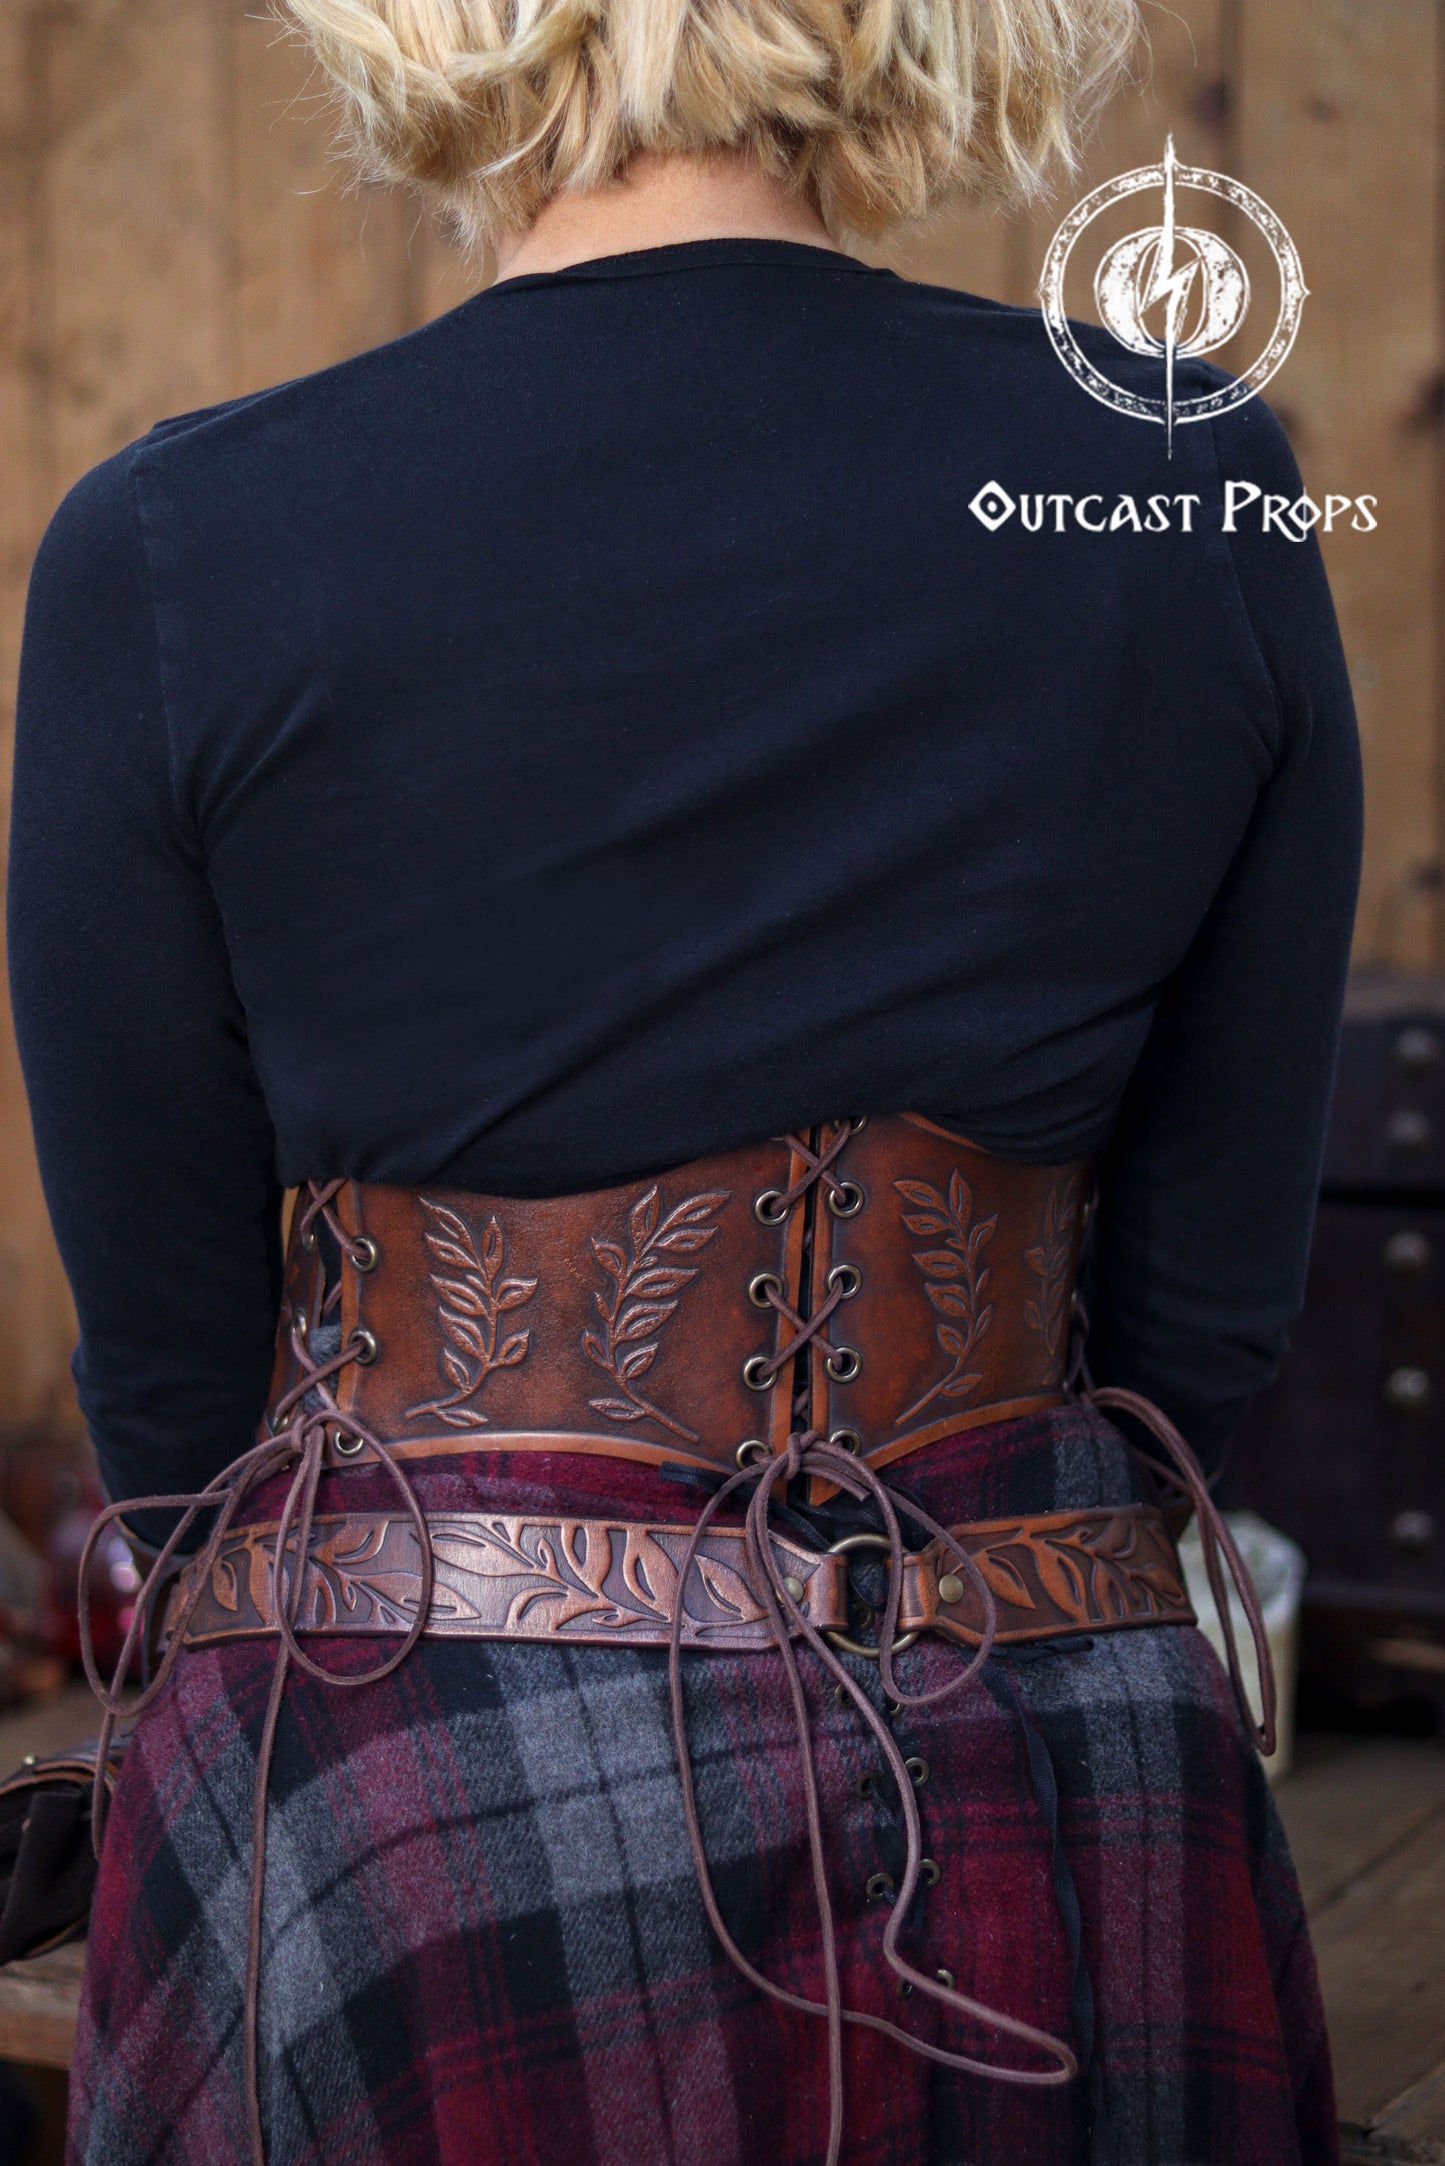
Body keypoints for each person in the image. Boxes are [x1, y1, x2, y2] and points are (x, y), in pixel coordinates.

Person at [7, 1, 1362, 2161]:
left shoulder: (176, 548)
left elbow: (174, 1394)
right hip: (1044, 1737)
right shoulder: (1188, 474)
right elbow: (1204, 1317)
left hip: (400, 1789)